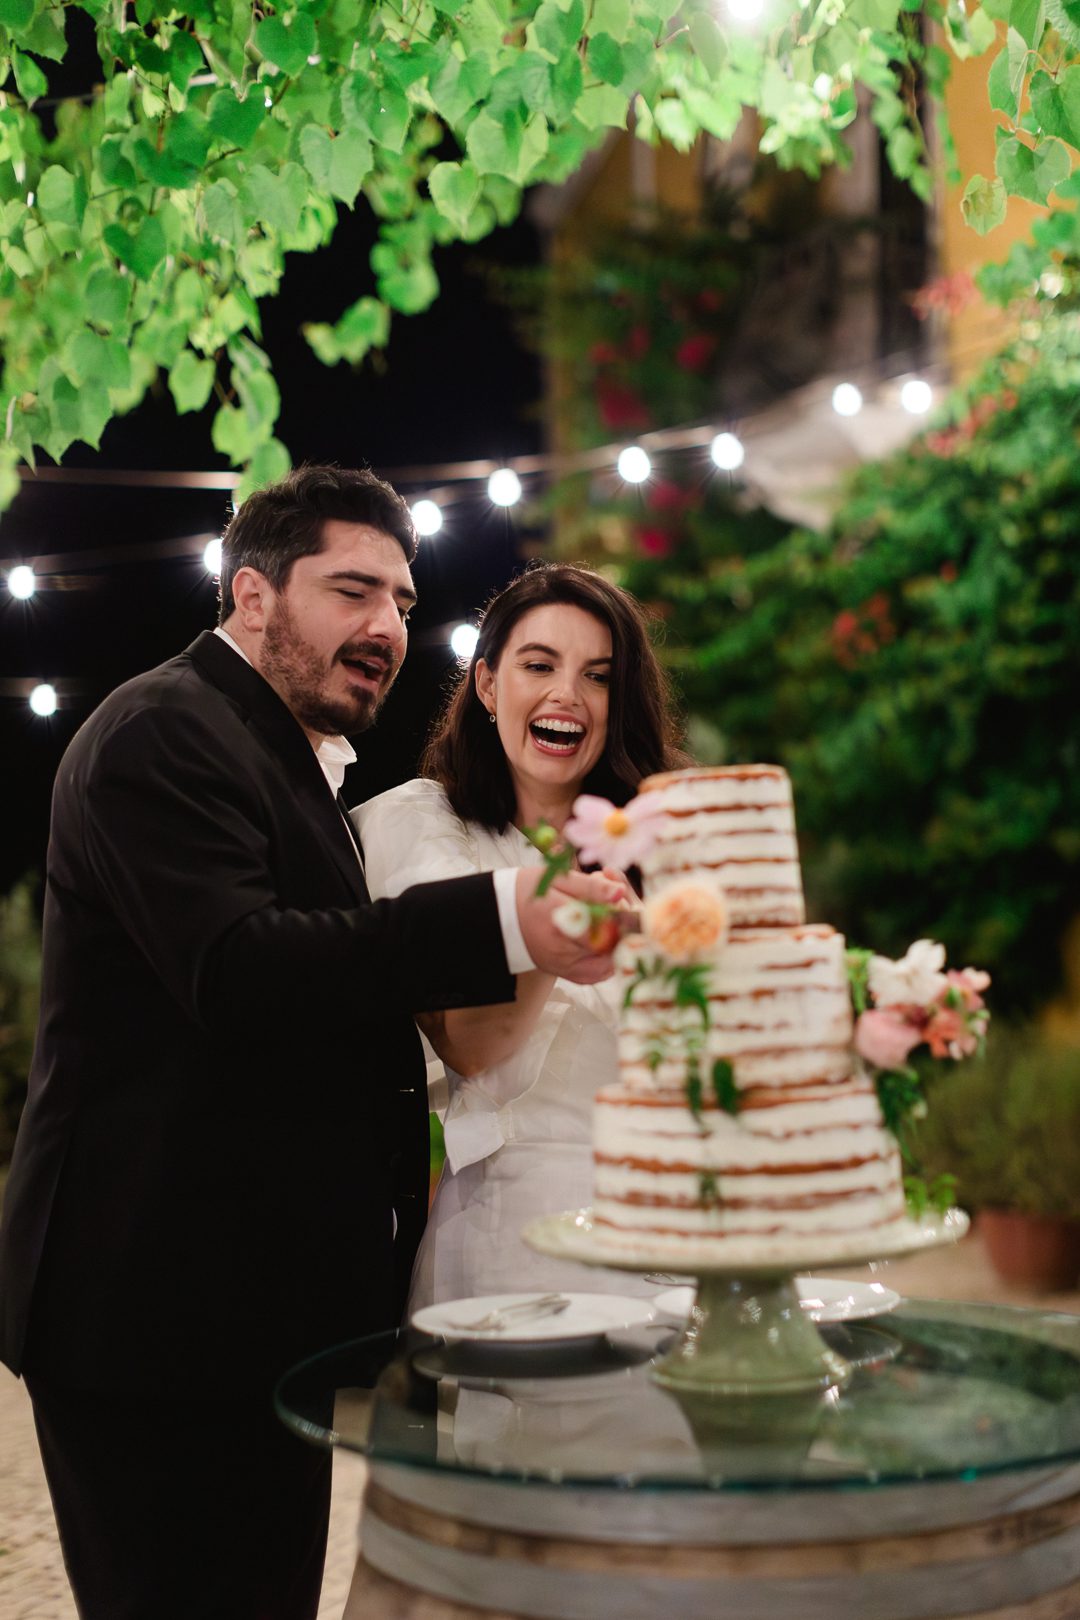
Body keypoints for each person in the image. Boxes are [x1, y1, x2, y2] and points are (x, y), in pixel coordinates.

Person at [0, 468, 624, 1620]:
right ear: (251, 595)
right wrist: (508, 919)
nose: (386, 625)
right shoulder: (162, 730)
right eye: (352, 591)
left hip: (245, 1321)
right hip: (152, 1320)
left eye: (401, 600)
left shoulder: (284, 760)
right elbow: (240, 971)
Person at [354, 563, 686, 1310]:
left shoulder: (664, 845)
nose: (567, 694)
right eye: (539, 665)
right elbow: (471, 1048)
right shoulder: (421, 823)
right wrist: (561, 920)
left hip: (682, 1235)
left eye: (598, 676)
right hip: (516, 1244)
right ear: (487, 684)